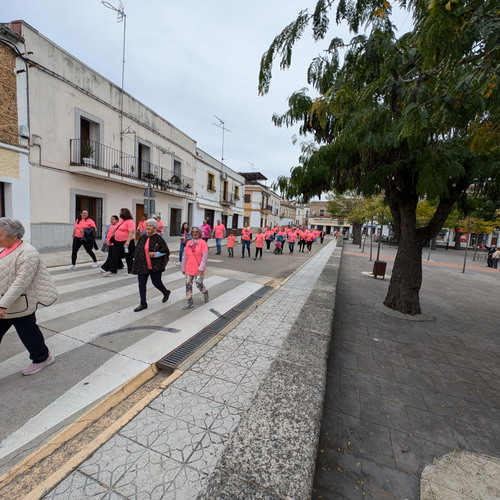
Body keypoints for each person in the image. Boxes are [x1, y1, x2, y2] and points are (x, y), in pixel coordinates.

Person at [0, 218, 58, 375]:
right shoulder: (4, 249)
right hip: (4, 302)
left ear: (14, 235)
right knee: (28, 331)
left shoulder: (28, 252)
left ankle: (42, 358)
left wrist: (2, 305)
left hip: (20, 303)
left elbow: (21, 282)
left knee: (28, 332)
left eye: (0, 235)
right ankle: (42, 355)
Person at [131, 219, 171, 311]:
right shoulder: (142, 237)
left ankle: (166, 292)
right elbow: (137, 250)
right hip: (142, 265)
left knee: (156, 282)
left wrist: (155, 254)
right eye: (147, 225)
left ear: (154, 227)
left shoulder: (158, 238)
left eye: (150, 226)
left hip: (155, 265)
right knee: (141, 285)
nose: (148, 227)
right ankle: (143, 303)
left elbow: (165, 251)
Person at [181, 226, 209, 309]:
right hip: (189, 268)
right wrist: (183, 267)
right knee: (188, 285)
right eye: (193, 232)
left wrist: (201, 267)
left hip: (199, 269)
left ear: (199, 232)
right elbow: (185, 256)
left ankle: (205, 291)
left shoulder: (203, 243)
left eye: (196, 231)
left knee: (198, 284)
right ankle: (190, 301)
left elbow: (204, 257)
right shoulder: (188, 243)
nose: (194, 233)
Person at [103, 208, 136, 276]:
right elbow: (116, 229)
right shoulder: (121, 221)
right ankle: (112, 271)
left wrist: (128, 241)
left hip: (126, 242)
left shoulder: (130, 222)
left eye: (120, 212)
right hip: (117, 241)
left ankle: (131, 271)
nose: (119, 213)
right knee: (114, 255)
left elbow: (131, 232)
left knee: (128, 257)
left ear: (124, 213)